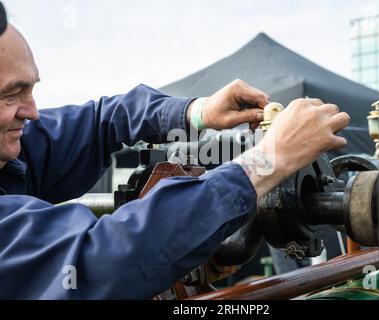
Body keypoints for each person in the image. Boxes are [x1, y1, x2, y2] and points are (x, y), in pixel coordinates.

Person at [0, 16, 349, 298]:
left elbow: (105, 119)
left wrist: (198, 113)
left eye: (31, 89)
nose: (32, 112)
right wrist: (270, 159)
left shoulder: (13, 148)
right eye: (12, 94)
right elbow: (101, 259)